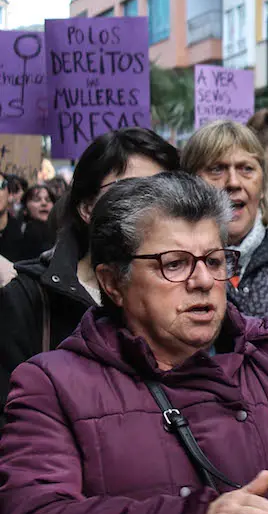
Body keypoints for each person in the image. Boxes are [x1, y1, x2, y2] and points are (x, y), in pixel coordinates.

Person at [0, 173, 268, 514]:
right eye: (175, 264)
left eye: (215, 260)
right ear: (112, 282)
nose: (203, 280)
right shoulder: (53, 384)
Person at [0, 128, 179, 418]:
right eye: (133, 191)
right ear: (86, 207)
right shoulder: (28, 300)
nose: (153, 208)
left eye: (166, 192)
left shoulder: (194, 290)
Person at [182, 120, 268, 332]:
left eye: (246, 169)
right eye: (216, 169)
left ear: (264, 186)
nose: (233, 182)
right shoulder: (172, 265)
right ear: (190, 184)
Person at [18, 184, 57, 259]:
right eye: (37, 200)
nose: (44, 203)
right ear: (25, 209)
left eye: (48, 200)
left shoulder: (61, 230)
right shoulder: (23, 231)